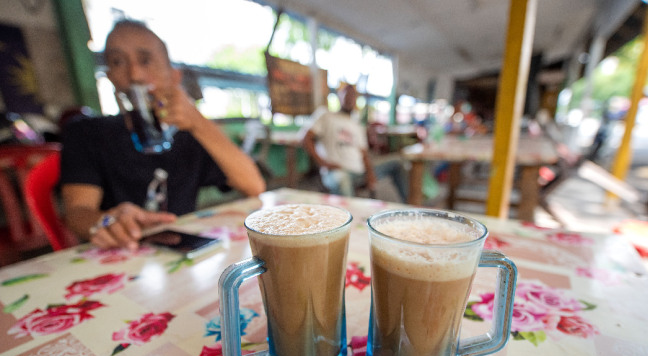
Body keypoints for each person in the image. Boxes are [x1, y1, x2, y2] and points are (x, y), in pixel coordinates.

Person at [60, 20, 265, 251]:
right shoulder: (86, 132)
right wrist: (106, 221)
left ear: (174, 76)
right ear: (109, 77)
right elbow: (78, 213)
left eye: (145, 60)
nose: (134, 74)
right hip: (118, 255)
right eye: (117, 62)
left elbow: (254, 186)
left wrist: (198, 122)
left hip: (179, 253)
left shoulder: (191, 137)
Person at [301, 84, 408, 201]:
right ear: (339, 97)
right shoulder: (325, 115)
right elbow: (305, 139)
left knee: (398, 162)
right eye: (346, 95)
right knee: (342, 180)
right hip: (336, 171)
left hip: (359, 172)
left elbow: (364, 153)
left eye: (353, 96)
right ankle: (350, 217)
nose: (350, 99)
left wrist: (370, 173)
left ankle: (411, 209)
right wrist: (322, 163)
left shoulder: (357, 124)